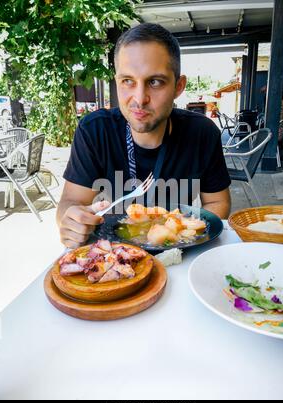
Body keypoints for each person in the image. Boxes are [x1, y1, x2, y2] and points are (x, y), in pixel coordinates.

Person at [57, 23, 231, 249]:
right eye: (128, 81)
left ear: (178, 86)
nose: (139, 98)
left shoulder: (202, 133)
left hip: (179, 252)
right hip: (114, 254)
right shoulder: (94, 131)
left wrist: (186, 234)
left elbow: (218, 201)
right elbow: (71, 202)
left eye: (155, 81)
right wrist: (70, 220)